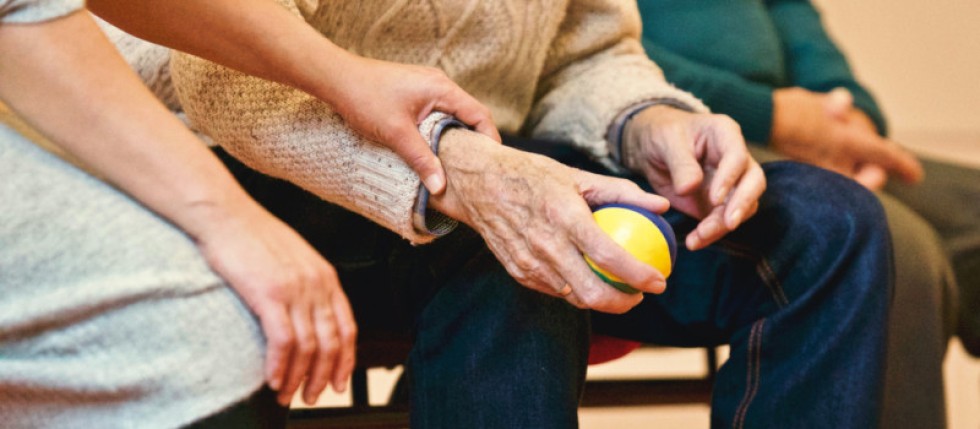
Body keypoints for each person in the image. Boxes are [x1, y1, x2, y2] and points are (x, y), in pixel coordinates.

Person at [167, 1, 898, 427]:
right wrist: (457, 169)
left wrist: (649, 122)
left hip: (499, 153)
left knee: (828, 227)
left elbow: (585, 51)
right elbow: (224, 80)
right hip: (248, 159)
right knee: (515, 248)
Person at [0, 0, 497, 427]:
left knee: (505, 257)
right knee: (206, 337)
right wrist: (229, 218)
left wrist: (346, 76)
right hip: (175, 132)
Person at [635, 0, 977, 426]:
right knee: (882, 240)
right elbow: (593, 53)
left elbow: (791, 12)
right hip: (666, 133)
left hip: (798, 127)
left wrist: (850, 119)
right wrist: (774, 117)